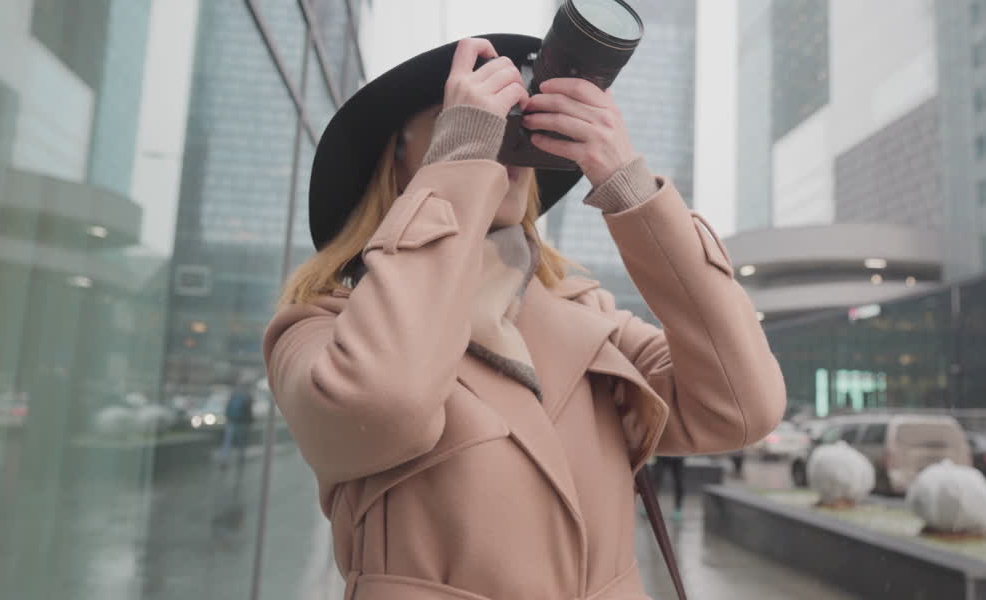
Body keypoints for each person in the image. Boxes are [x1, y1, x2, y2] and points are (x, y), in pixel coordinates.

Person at [263, 35, 785, 600]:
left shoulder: (586, 320)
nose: (505, 144)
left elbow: (742, 406)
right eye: (478, 117)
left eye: (517, 122)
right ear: (396, 155)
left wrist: (628, 186)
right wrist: (463, 159)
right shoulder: (321, 332)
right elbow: (385, 403)